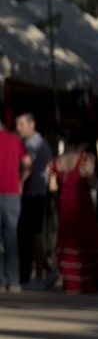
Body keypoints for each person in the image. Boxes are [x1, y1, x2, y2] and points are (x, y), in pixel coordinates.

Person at [47, 127, 98, 294]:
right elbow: (90, 181)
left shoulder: (56, 161)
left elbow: (52, 187)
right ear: (83, 144)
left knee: (67, 239)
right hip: (82, 203)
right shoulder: (85, 159)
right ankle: (86, 282)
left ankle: (70, 283)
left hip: (64, 203)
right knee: (85, 239)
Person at [15, 113, 52, 289]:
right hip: (37, 192)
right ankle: (46, 270)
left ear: (32, 124)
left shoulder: (32, 144)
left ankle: (38, 275)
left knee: (33, 234)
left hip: (32, 193)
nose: (18, 128)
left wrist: (19, 185)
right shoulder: (41, 143)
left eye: (21, 124)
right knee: (32, 234)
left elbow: (26, 166)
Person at [0, 117, 26, 292]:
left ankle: (1, 281)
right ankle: (14, 280)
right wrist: (21, 182)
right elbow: (28, 163)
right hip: (13, 193)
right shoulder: (15, 140)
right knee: (11, 237)